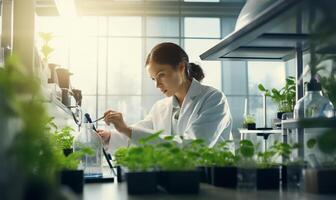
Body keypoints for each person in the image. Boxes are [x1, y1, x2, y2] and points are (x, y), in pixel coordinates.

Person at [97, 42, 232, 153]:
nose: (157, 84)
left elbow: (194, 146)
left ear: (181, 67)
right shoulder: (160, 107)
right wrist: (109, 136)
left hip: (215, 179)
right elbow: (141, 133)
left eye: (161, 75)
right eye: (153, 79)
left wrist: (127, 129)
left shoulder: (214, 99)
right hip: (178, 177)